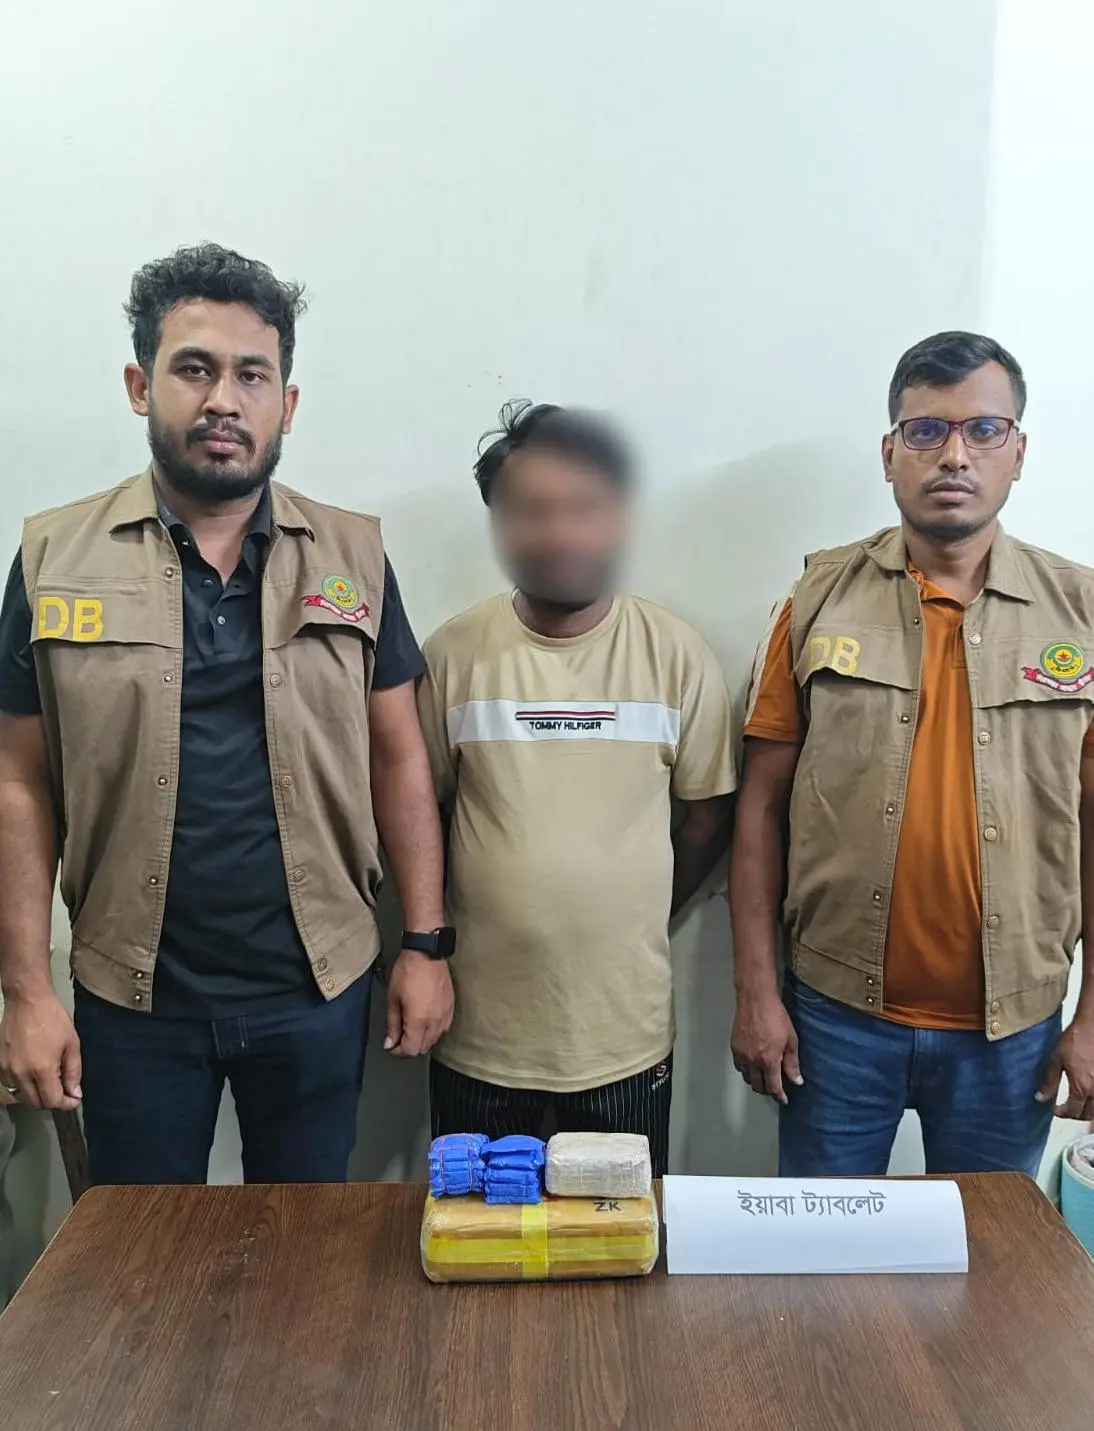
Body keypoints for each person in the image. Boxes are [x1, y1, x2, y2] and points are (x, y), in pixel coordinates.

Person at [0, 243, 454, 1185]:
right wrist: (26, 991)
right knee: (139, 1249)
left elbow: (399, 756)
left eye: (252, 375)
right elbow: (17, 781)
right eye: (194, 369)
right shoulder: (54, 558)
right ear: (140, 385)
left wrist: (424, 941)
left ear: (287, 402)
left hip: (318, 986)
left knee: (305, 1245)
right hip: (132, 995)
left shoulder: (352, 555)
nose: (223, 400)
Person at [730, 330, 1094, 1178]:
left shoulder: (1080, 614)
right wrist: (756, 991)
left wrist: (1093, 1018)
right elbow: (760, 808)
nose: (954, 455)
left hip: (1013, 1029)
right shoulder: (816, 602)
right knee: (822, 1250)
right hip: (835, 1017)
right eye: (926, 430)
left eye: (984, 430)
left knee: (989, 1250)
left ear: (1019, 452)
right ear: (891, 452)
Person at [417, 401, 735, 1175]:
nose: (559, 531)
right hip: (480, 1034)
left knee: (620, 1233)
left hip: (622, 1036)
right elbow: (421, 814)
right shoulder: (452, 655)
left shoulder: (676, 656)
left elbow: (706, 820)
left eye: (583, 507)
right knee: (476, 1232)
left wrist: (627, 906)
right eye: (532, 509)